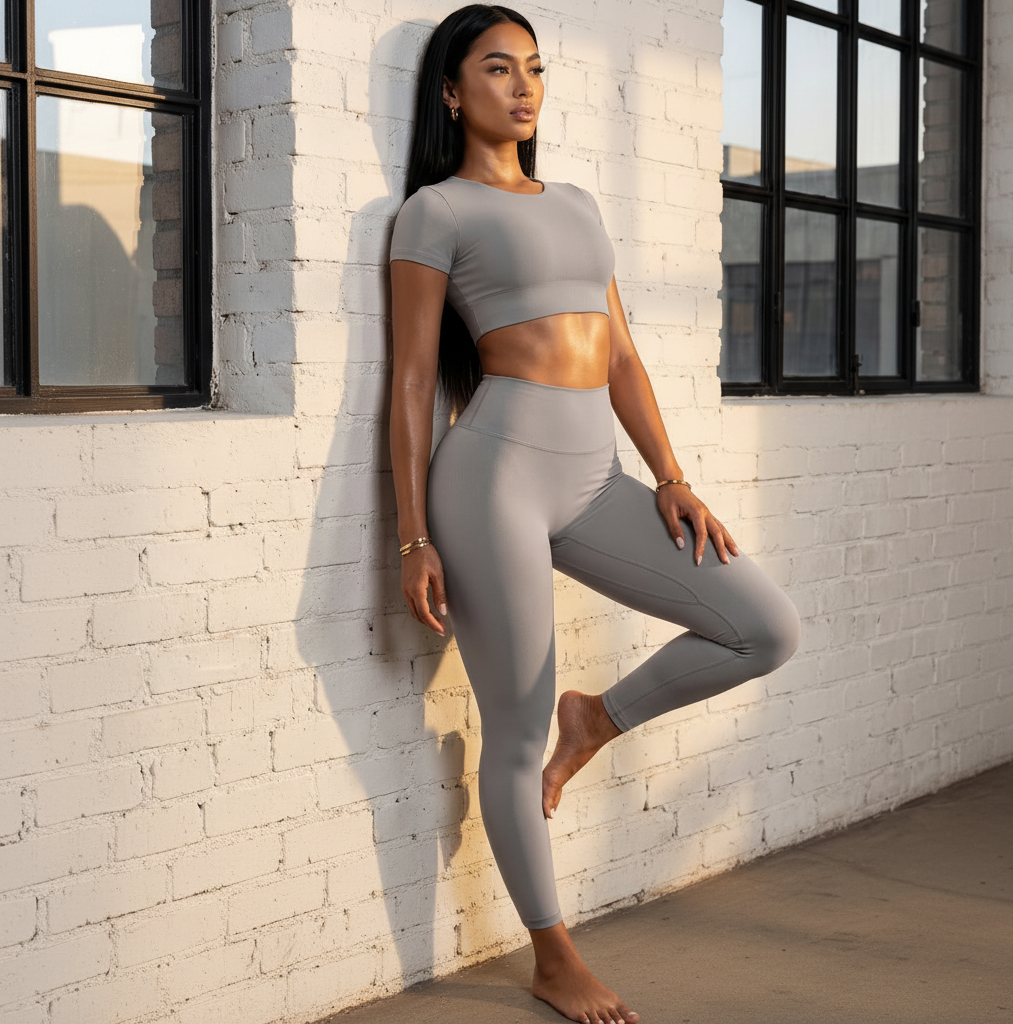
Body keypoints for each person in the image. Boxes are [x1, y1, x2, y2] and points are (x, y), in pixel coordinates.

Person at [388, 6, 800, 1022]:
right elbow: (406, 384)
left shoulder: (574, 201)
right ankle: (553, 953)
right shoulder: (434, 213)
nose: (522, 88)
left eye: (533, 69)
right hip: (490, 482)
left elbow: (618, 354)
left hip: (592, 474)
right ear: (451, 93)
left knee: (762, 626)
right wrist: (412, 534)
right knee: (514, 728)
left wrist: (668, 473)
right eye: (495, 69)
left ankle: (598, 718)